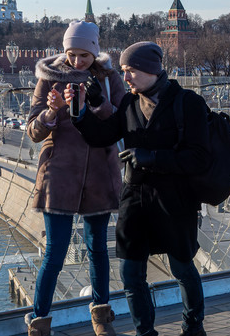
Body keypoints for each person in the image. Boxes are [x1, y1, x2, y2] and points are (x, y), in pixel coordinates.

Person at [70, 41, 209, 336]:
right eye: (123, 71)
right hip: (134, 198)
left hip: (175, 199)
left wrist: (153, 157)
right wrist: (82, 111)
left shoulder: (188, 103)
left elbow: (199, 157)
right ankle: (145, 332)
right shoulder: (130, 105)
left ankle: (193, 327)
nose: (126, 78)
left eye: (130, 70)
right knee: (131, 274)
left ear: (151, 70)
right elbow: (102, 137)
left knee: (182, 268)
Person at [25, 20, 125, 336]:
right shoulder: (49, 78)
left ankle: (101, 318)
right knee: (55, 252)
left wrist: (99, 102)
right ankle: (39, 324)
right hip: (60, 176)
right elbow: (32, 131)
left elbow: (123, 120)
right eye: (72, 54)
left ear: (94, 52)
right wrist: (51, 112)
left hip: (98, 173)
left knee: (97, 249)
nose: (77, 62)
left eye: (84, 55)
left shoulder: (108, 78)